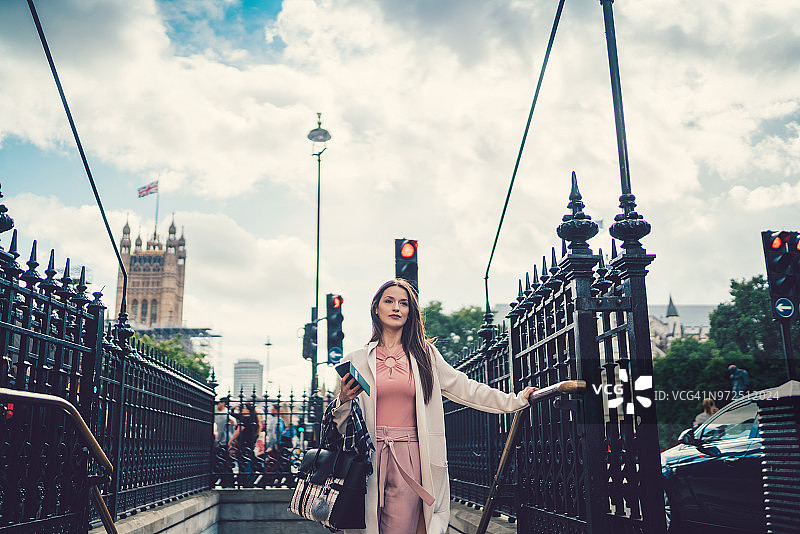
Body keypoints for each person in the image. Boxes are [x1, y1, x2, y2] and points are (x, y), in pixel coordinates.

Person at [329, 279, 538, 534]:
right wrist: (343, 399)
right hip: (366, 459)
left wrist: (515, 401)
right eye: (389, 301)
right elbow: (340, 425)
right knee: (365, 528)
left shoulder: (425, 355)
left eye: (403, 303)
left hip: (410, 457)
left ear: (410, 312)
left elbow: (466, 388)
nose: (396, 307)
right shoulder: (356, 359)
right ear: (376, 308)